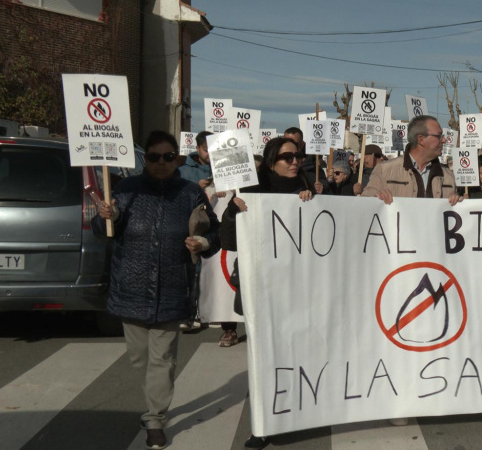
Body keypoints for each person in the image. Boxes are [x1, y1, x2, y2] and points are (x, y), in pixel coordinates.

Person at [94, 131, 220, 450]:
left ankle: (155, 419)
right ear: (145, 158)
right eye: (154, 157)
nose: (161, 163)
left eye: (167, 157)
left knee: (162, 359)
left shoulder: (190, 192)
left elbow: (214, 231)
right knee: (140, 360)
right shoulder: (126, 189)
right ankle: (154, 400)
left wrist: (202, 242)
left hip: (173, 288)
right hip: (131, 289)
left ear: (177, 158)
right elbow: (103, 232)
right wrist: (106, 217)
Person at [219, 136, 317, 449]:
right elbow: (229, 242)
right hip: (263, 289)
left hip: (299, 291)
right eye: (287, 157)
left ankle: (294, 413)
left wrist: (312, 200)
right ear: (272, 161)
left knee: (296, 356)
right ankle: (262, 425)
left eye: (298, 156)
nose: (295, 162)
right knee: (264, 359)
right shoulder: (251, 193)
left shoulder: (309, 190)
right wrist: (234, 212)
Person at [362, 115, 460, 425]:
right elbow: (362, 206)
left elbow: (451, 215)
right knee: (399, 333)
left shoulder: (446, 173)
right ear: (421, 140)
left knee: (428, 331)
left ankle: (427, 391)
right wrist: (375, 198)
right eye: (439, 135)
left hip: (433, 262)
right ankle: (399, 400)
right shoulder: (386, 170)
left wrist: (458, 204)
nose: (443, 140)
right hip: (396, 264)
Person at [177, 130, 215, 332]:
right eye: (206, 149)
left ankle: (205, 311)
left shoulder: (221, 167)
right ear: (198, 149)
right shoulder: (184, 170)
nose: (210, 154)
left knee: (209, 270)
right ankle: (189, 313)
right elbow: (177, 193)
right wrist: (196, 187)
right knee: (191, 271)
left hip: (212, 226)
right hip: (191, 225)